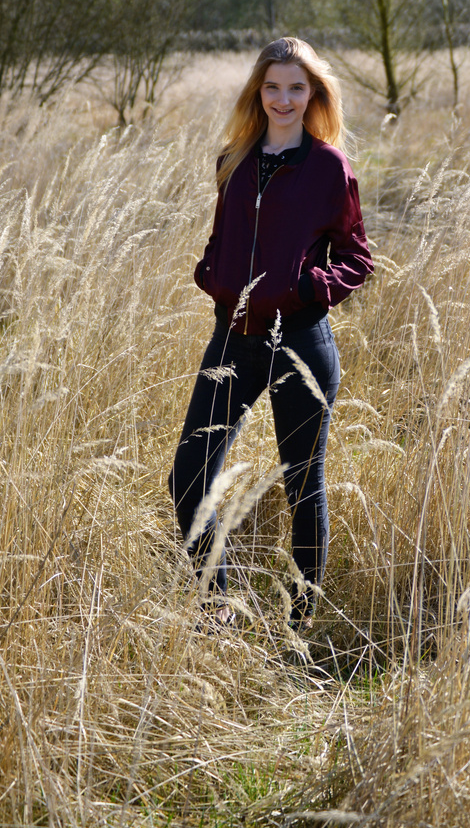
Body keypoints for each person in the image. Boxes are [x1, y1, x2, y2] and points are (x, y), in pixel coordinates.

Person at [169, 37, 373, 631]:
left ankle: (299, 625)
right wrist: (212, 273)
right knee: (189, 475)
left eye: (297, 87)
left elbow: (358, 258)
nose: (284, 99)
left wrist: (307, 288)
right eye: (273, 87)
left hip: (301, 343)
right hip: (231, 339)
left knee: (302, 484)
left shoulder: (329, 168)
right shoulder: (233, 158)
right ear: (258, 92)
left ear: (313, 94)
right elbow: (218, 236)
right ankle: (217, 608)